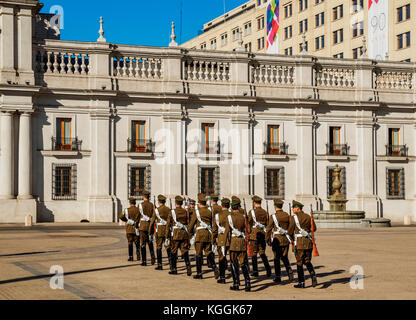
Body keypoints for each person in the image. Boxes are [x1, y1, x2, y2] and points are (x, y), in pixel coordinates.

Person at [187, 194, 219, 280]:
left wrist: (189, 233)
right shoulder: (210, 211)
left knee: (198, 254)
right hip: (208, 234)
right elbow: (213, 222)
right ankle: (215, 268)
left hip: (200, 235)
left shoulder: (197, 212)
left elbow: (191, 224)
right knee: (208, 252)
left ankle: (199, 273)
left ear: (200, 203)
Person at [288, 200, 318, 288]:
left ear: (297, 208)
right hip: (308, 242)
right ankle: (313, 275)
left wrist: (292, 240)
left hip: (299, 243)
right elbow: (314, 228)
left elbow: (290, 231)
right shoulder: (308, 217)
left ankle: (301, 282)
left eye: (293, 207)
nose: (292, 209)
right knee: (308, 261)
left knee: (299, 263)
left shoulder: (294, 218)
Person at [225, 197, 251, 292]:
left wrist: (225, 244)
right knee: (243, 263)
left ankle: (236, 283)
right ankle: (248, 283)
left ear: (232, 207)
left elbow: (227, 232)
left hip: (233, 242)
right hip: (242, 242)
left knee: (233, 262)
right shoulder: (243, 217)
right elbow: (249, 230)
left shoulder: (229, 217)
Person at [266, 199, 294, 283]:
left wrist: (267, 239)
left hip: (277, 239)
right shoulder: (287, 215)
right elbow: (291, 227)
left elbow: (268, 229)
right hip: (285, 239)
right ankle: (290, 272)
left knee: (276, 258)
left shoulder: (273, 216)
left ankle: (278, 276)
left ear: (275, 207)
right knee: (285, 257)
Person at [165, 196, 192, 276]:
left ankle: (174, 269)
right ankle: (188, 267)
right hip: (184, 233)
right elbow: (188, 223)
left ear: (175, 203)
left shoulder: (172, 212)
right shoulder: (185, 212)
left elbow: (168, 225)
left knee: (173, 251)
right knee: (185, 251)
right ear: (181, 203)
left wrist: (167, 236)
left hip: (176, 234)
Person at [247, 195, 272, 278]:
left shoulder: (252, 212)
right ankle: (268, 269)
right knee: (262, 252)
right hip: (262, 234)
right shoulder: (265, 212)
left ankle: (255, 271)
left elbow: (249, 223)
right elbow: (267, 223)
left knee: (254, 253)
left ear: (254, 203)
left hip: (254, 235)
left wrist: (249, 232)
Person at [149, 195, 171, 270]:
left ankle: (160, 265)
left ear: (158, 202)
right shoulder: (168, 209)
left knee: (159, 247)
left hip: (159, 231)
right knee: (168, 246)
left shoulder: (157, 210)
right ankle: (171, 264)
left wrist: (150, 232)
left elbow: (152, 221)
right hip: (167, 230)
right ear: (164, 202)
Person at [212, 197, 231, 284]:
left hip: (221, 238)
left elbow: (214, 229)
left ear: (221, 205)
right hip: (231, 238)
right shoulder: (232, 215)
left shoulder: (218, 215)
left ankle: (222, 277)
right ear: (229, 205)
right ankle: (236, 279)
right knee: (233, 259)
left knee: (221, 258)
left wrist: (213, 240)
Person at [137, 190, 156, 266]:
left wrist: (136, 224)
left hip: (142, 226)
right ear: (148, 197)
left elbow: (138, 215)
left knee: (143, 243)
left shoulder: (140, 205)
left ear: (143, 197)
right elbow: (154, 215)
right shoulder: (152, 205)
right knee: (150, 243)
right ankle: (153, 258)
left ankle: (144, 261)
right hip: (150, 226)